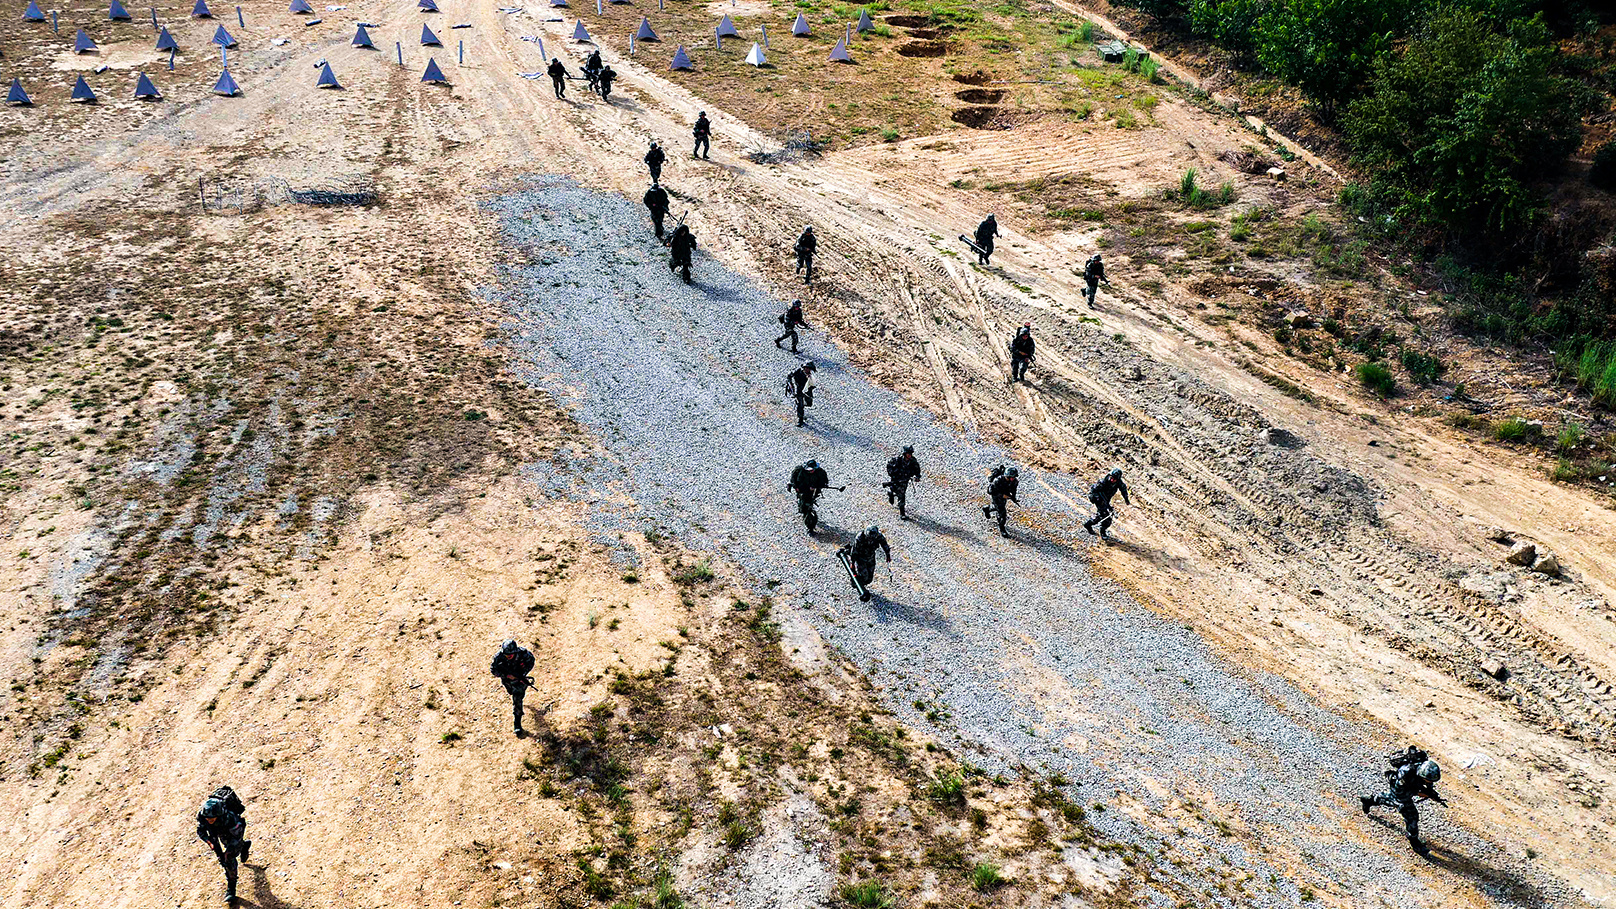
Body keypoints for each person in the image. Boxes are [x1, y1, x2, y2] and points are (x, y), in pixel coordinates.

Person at [1363, 746, 1448, 855]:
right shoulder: (1406, 773)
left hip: (1408, 785)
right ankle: (1415, 843)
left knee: (1388, 799)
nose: (1429, 781)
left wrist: (1430, 792)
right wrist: (1422, 793)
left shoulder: (1423, 766)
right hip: (1399, 789)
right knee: (1411, 816)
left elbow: (1426, 784)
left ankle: (1369, 800)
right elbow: (1403, 793)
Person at [196, 785, 252, 903]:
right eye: (207, 818)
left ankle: (231, 888)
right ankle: (244, 846)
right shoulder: (203, 815)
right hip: (216, 835)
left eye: (211, 818)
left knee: (229, 859)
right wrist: (209, 842)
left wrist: (229, 851)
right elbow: (200, 830)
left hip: (231, 835)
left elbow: (237, 835)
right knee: (222, 859)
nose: (208, 820)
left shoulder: (230, 818)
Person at [490, 639, 536, 735]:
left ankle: (517, 723)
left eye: (511, 654)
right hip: (507, 680)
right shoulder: (498, 657)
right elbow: (493, 670)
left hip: (520, 680)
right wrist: (506, 675)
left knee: (517, 699)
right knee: (510, 692)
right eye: (507, 654)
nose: (509, 656)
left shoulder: (523, 653)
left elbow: (531, 661)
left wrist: (522, 674)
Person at [840, 525, 891, 596]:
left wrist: (888, 555)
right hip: (860, 558)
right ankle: (856, 582)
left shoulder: (878, 536)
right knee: (864, 576)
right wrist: (852, 563)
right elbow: (855, 551)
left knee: (869, 579)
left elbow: (884, 545)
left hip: (871, 557)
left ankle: (859, 583)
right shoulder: (860, 537)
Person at [787, 458, 834, 533]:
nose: (811, 471)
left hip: (814, 491)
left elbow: (824, 481)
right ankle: (805, 513)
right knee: (804, 505)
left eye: (812, 469)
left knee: (808, 505)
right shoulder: (799, 471)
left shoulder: (820, 472)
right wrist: (796, 487)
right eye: (809, 470)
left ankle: (810, 525)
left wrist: (816, 486)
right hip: (802, 490)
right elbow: (793, 480)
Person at [1083, 468, 1130, 541]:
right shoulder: (1103, 482)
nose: (1112, 480)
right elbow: (1093, 491)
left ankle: (1088, 524)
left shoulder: (1118, 482)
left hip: (1106, 500)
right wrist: (1097, 498)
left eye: (1114, 479)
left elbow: (1123, 489)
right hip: (1098, 499)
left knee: (1101, 516)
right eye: (1111, 478)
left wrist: (1126, 499)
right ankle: (1103, 532)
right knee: (1106, 517)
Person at [882, 445, 922, 519]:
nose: (909, 455)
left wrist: (917, 476)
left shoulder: (913, 461)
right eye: (908, 453)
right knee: (895, 490)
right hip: (896, 479)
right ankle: (891, 494)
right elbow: (889, 467)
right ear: (905, 453)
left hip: (904, 480)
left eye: (910, 454)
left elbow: (917, 469)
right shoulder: (897, 460)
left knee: (902, 495)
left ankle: (902, 513)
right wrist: (893, 475)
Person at [982, 465, 1019, 537]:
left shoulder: (1014, 481)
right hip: (997, 497)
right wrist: (1002, 495)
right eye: (1012, 477)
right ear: (1007, 476)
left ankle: (987, 508)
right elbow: (990, 491)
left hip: (1004, 497)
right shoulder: (997, 480)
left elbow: (1013, 490)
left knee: (997, 507)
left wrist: (1013, 497)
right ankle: (1002, 529)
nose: (1013, 479)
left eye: (1014, 477)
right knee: (1002, 514)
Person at [785, 361, 816, 427]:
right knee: (800, 404)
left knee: (809, 403)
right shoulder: (798, 371)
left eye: (809, 368)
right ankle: (800, 419)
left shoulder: (810, 376)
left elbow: (812, 385)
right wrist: (791, 386)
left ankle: (801, 408)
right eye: (806, 368)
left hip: (807, 389)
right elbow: (789, 376)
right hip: (798, 390)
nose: (807, 370)